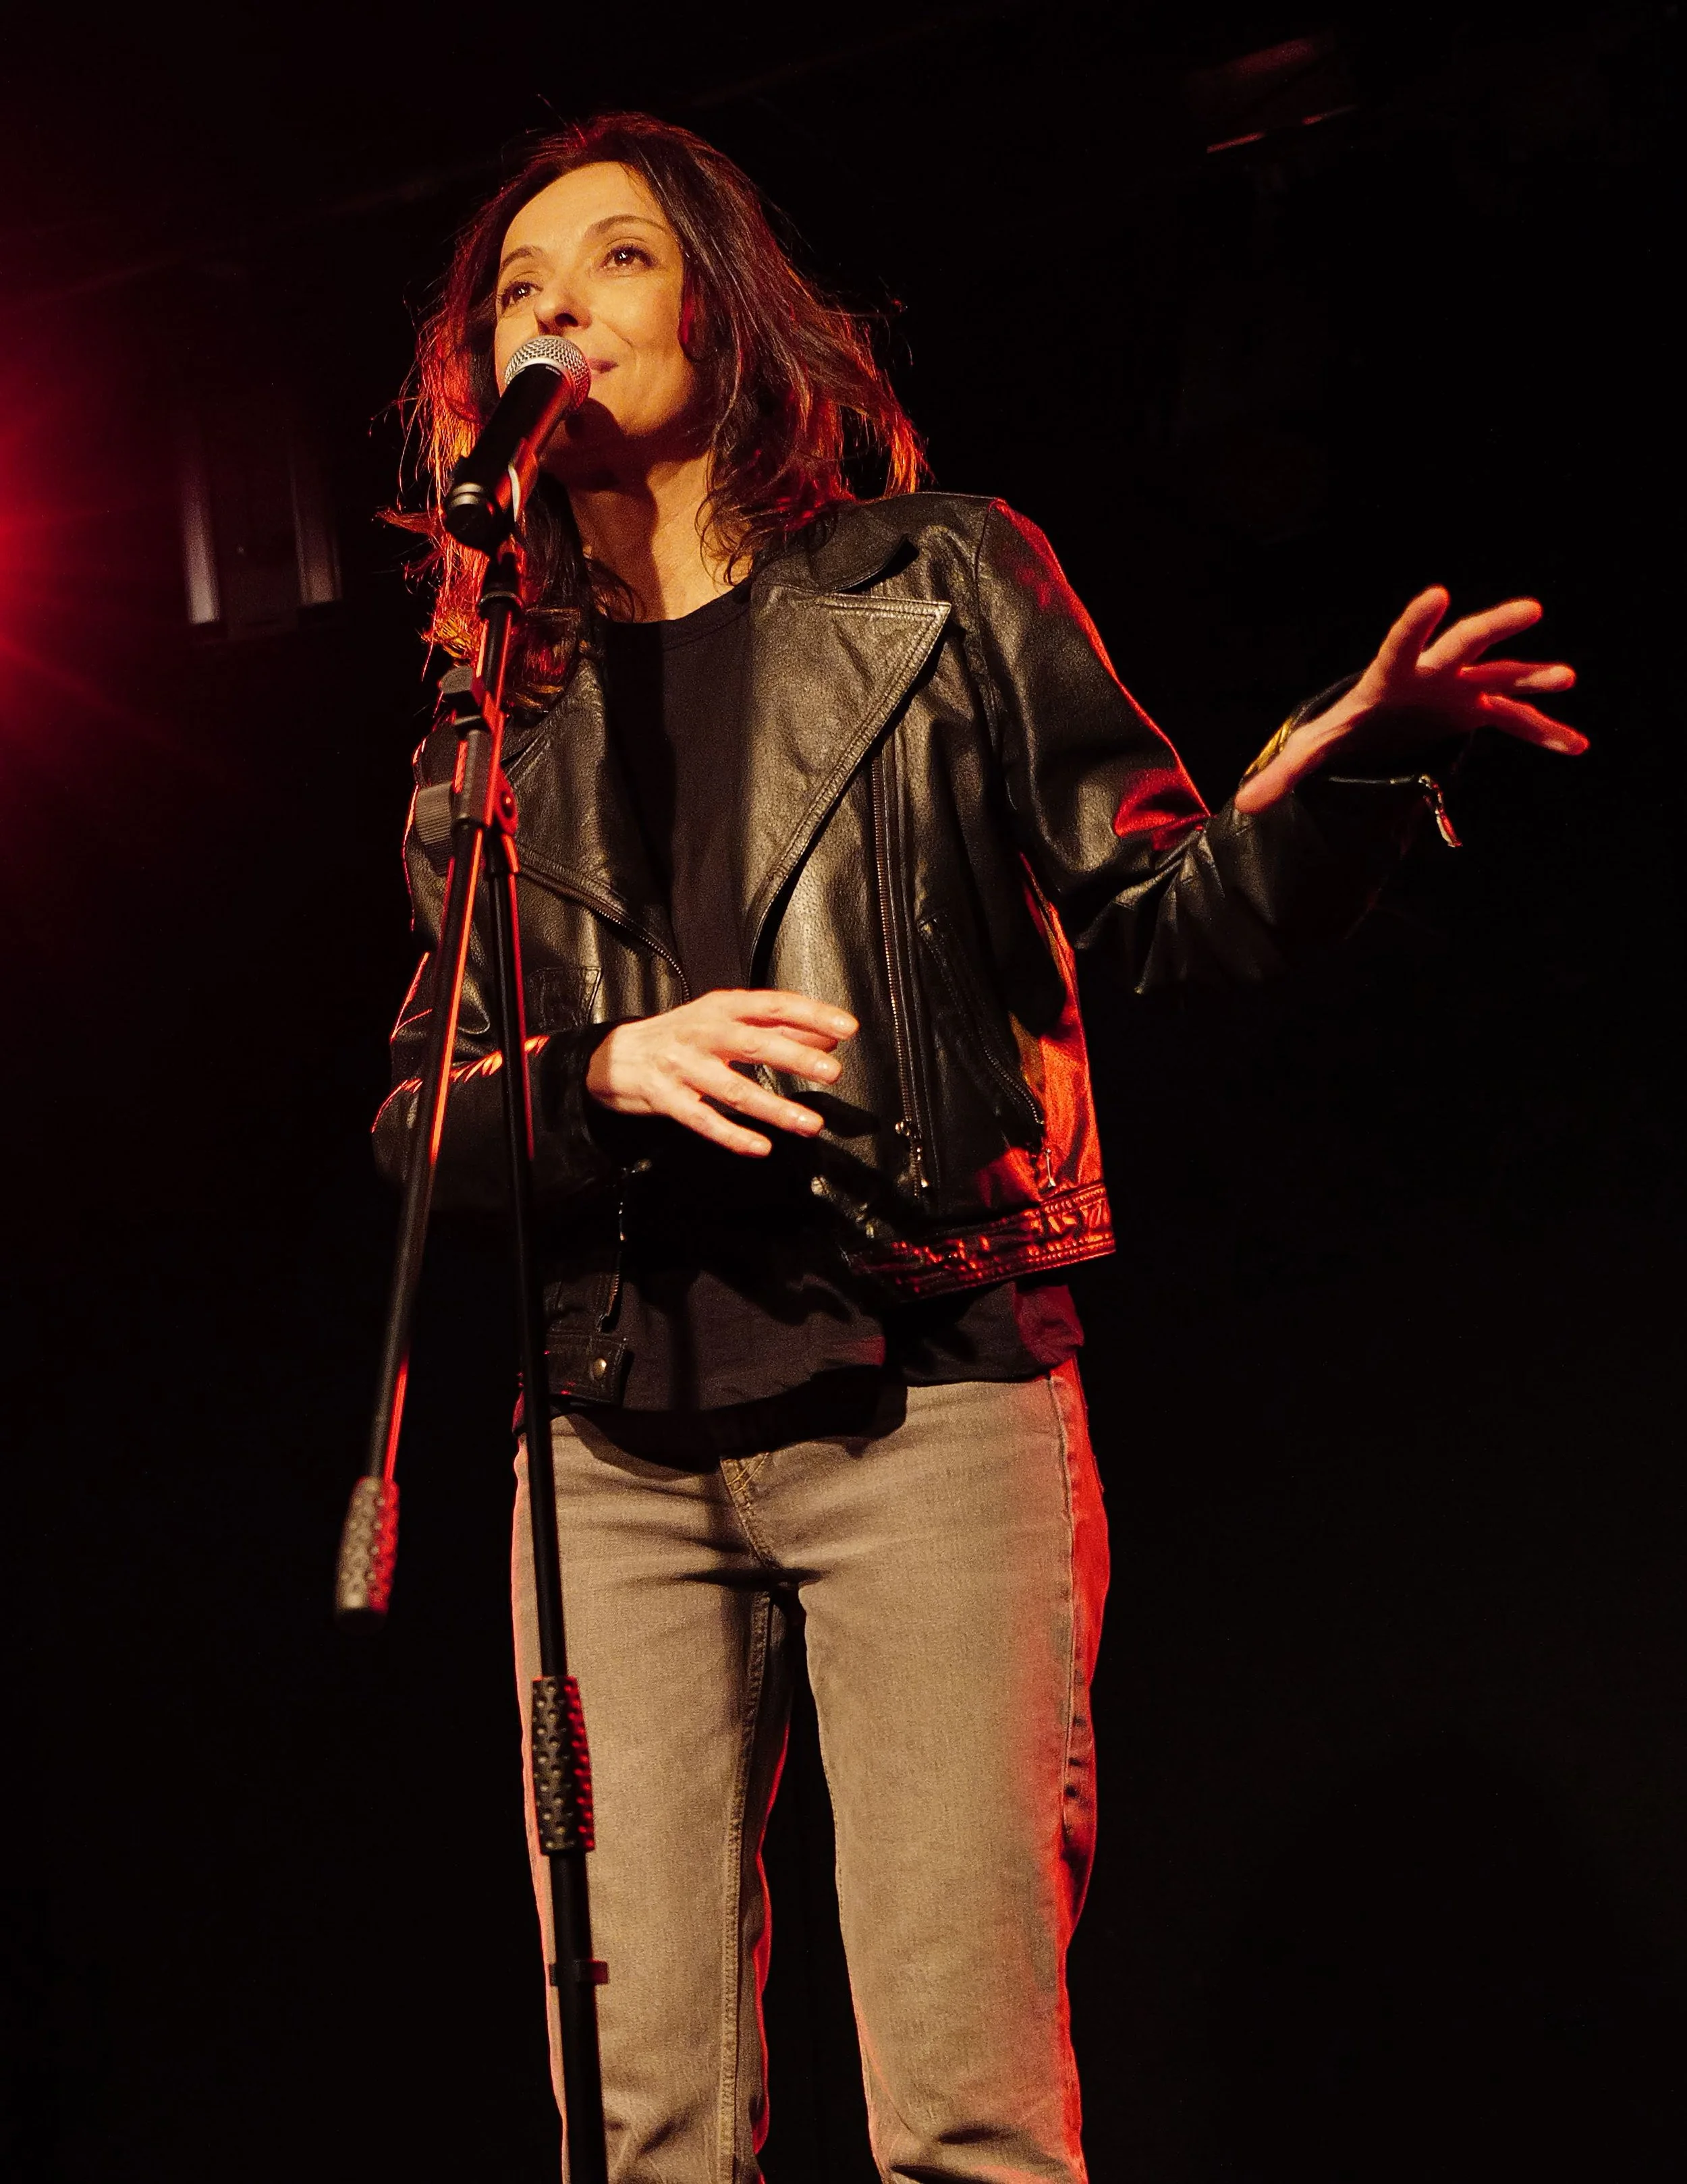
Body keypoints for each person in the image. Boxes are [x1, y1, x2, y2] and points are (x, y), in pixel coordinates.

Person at [375, 111, 1582, 2184]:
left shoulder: (936, 581)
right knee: (642, 2129)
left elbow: (1168, 912)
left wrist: (1353, 779)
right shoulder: (500, 717)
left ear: (727, 317)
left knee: (963, 2118)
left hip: (922, 1405)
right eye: (516, 287)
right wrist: (602, 1073)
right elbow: (422, 1120)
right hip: (606, 1448)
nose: (555, 305)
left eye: (620, 257)